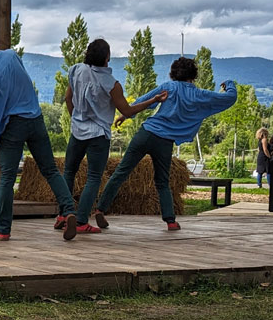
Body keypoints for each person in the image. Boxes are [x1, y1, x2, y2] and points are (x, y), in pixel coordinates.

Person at [94, 56, 237, 232]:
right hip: (165, 141)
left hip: (146, 133)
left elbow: (145, 100)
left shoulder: (169, 87)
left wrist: (126, 114)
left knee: (121, 172)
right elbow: (229, 98)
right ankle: (170, 221)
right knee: (162, 181)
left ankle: (100, 208)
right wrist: (229, 83)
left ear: (174, 73)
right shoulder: (199, 94)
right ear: (193, 75)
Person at [0, 27, 77, 241]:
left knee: (7, 178)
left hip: (13, 126)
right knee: (51, 170)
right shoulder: (12, 56)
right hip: (35, 120)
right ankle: (69, 210)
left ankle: (4, 229)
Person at [55, 38, 168, 234]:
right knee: (93, 177)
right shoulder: (111, 84)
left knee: (69, 172)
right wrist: (154, 100)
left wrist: (75, 117)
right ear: (107, 57)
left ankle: (65, 214)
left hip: (77, 130)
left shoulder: (76, 70)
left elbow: (67, 97)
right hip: (98, 134)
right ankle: (81, 221)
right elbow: (127, 110)